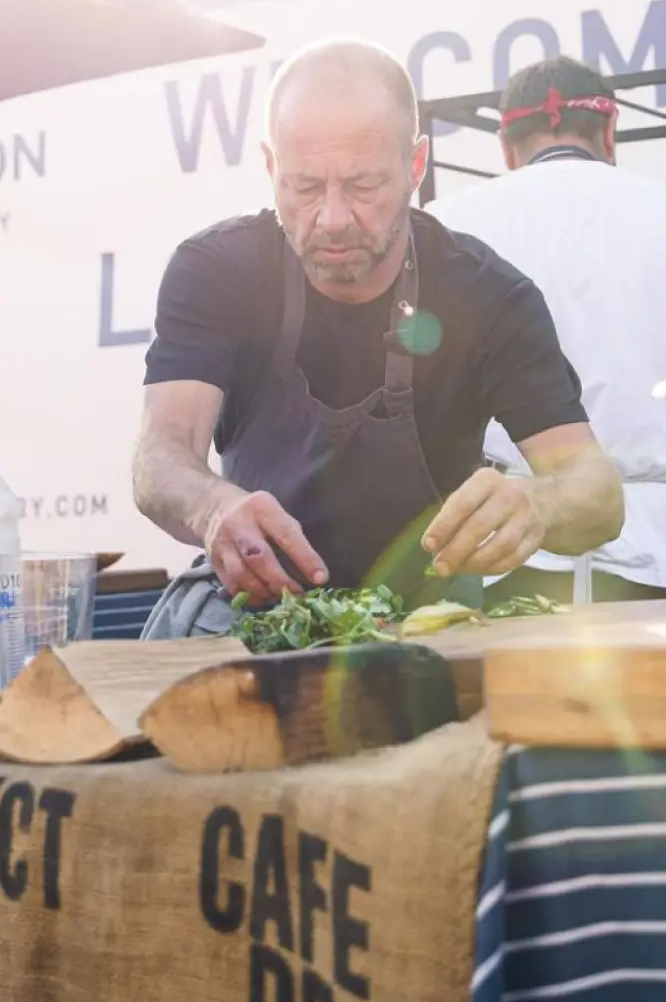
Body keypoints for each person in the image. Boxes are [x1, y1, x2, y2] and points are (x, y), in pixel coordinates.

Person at [133, 40, 624, 638]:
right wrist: (212, 507)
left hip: (428, 625)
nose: (334, 218)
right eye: (305, 186)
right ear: (270, 167)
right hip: (255, 615)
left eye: (364, 185)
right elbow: (161, 454)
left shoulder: (488, 296)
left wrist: (540, 504)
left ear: (415, 166)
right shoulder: (217, 271)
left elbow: (598, 493)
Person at [426, 55, 666, 606]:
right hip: (660, 560)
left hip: (499, 552)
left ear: (506, 146)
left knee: (506, 693)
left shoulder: (448, 227)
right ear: (609, 134)